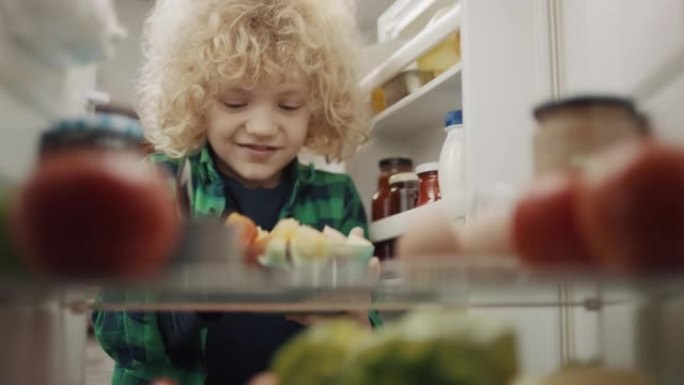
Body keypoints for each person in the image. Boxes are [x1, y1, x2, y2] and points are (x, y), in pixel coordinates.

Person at [92, 0, 380, 384]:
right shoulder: (157, 184)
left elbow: (362, 355)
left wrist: (357, 318)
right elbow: (118, 339)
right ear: (197, 100)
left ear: (318, 106)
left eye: (288, 105)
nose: (262, 126)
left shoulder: (336, 196)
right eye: (235, 102)